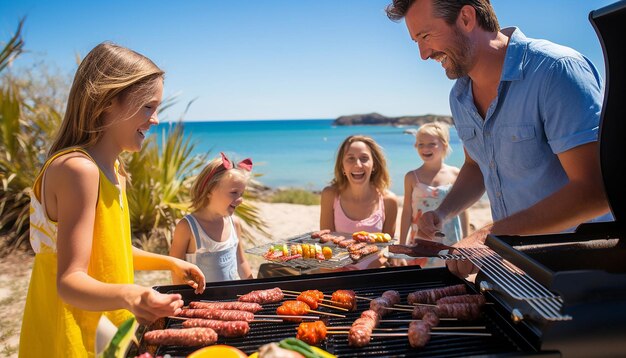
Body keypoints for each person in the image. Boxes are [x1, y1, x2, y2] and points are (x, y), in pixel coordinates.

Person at [385, 0, 612, 277]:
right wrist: (442, 213)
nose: (423, 54)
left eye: (425, 35)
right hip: (511, 267)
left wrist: (484, 237)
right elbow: (476, 165)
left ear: (467, 18)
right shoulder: (459, 96)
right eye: (416, 41)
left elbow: (596, 191)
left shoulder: (555, 70)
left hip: (580, 271)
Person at [19, 42, 206, 358]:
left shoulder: (115, 168)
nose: (156, 119)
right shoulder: (78, 169)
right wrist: (133, 295)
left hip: (108, 330)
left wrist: (169, 261)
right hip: (69, 334)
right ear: (106, 102)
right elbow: (69, 281)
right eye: (148, 107)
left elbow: (110, 250)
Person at [169, 152, 254, 283]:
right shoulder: (188, 227)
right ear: (209, 190)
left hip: (231, 300)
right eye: (234, 193)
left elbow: (241, 262)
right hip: (200, 302)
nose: (240, 199)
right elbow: (176, 271)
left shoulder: (234, 224)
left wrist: (252, 287)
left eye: (241, 193)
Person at [320, 135, 399, 269]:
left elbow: (387, 247)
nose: (358, 164)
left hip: (373, 274)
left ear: (374, 165)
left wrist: (377, 263)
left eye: (364, 158)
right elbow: (326, 242)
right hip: (338, 272)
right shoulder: (330, 195)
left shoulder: (389, 201)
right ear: (342, 166)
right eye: (350, 158)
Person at [398, 123, 469, 267]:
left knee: (451, 279)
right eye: (421, 144)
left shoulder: (456, 174)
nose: (425, 148)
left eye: (432, 144)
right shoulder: (412, 177)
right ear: (415, 146)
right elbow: (406, 212)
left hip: (450, 238)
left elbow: (463, 209)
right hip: (421, 239)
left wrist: (466, 240)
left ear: (444, 144)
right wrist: (401, 245)